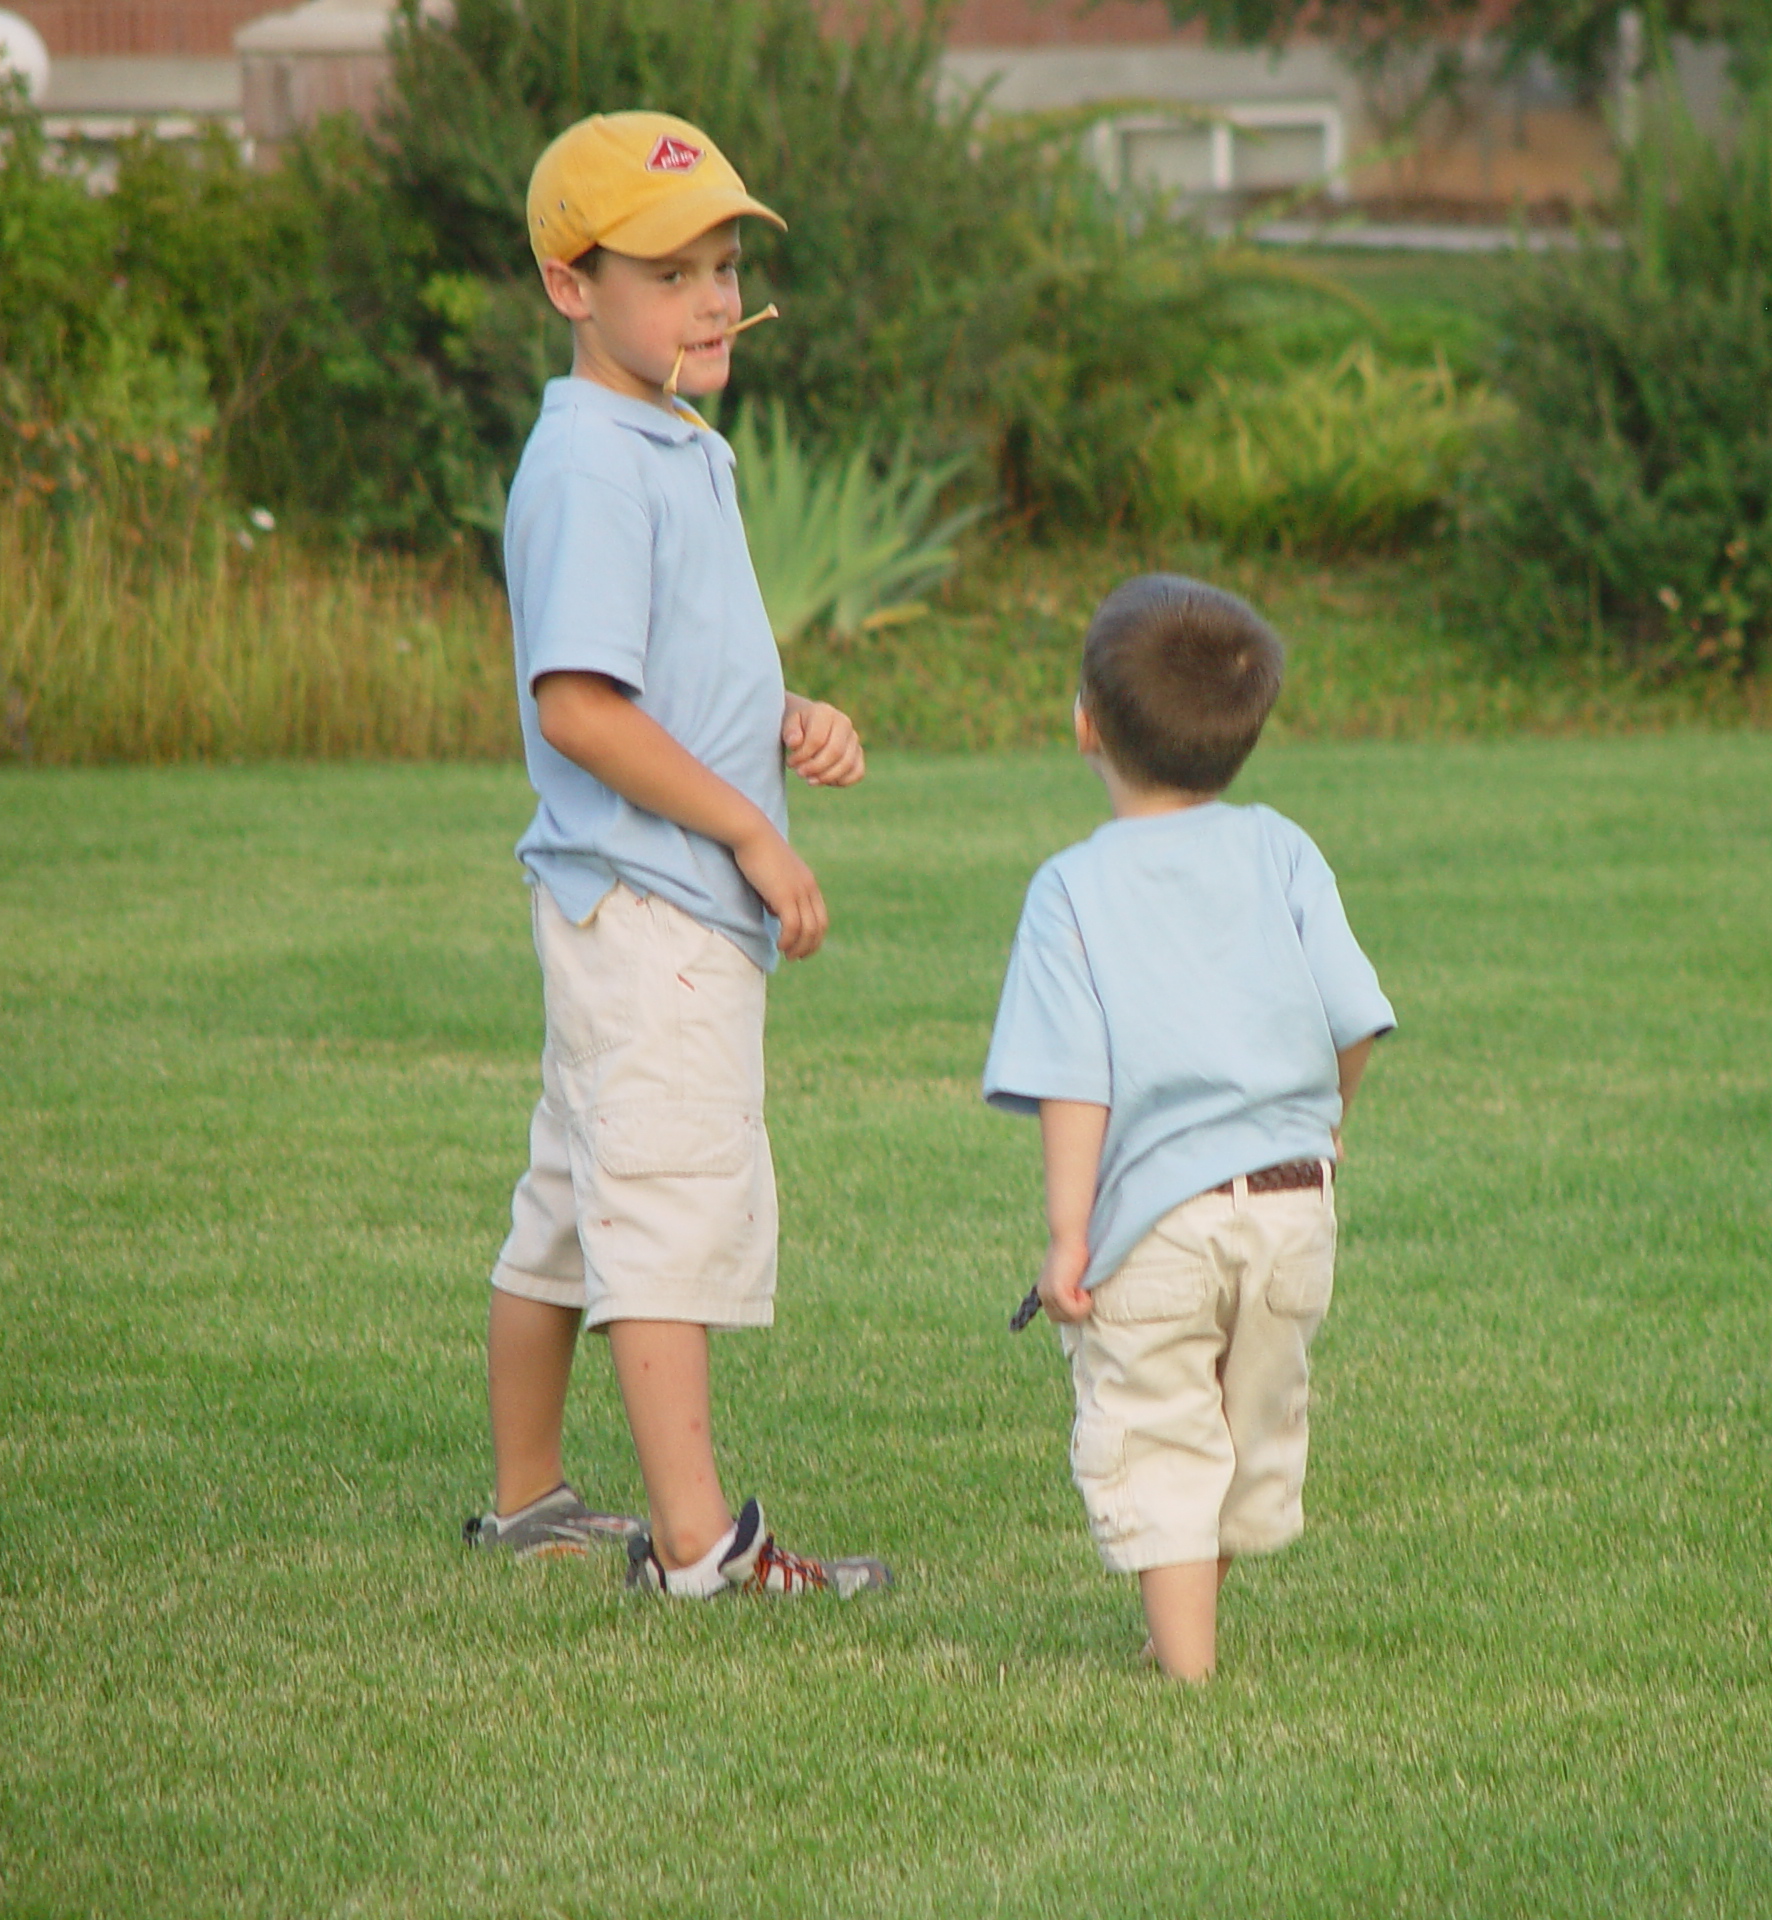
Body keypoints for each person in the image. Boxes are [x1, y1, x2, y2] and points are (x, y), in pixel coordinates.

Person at [462, 111, 888, 1599]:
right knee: (658, 1205)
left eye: (722, 264)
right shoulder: (590, 458)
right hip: (652, 907)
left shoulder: (670, 438)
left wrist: (788, 717)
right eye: (669, 270)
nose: (712, 297)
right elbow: (578, 702)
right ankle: (702, 1552)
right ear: (572, 285)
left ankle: (528, 1503)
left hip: (633, 898)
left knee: (574, 1202)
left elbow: (675, 668)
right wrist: (752, 829)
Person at [983, 575, 1394, 1679]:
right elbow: (1355, 1018)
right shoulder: (1283, 850)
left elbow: (1074, 1081)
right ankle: (1188, 1639)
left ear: (1086, 723)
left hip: (1160, 1222)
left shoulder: (1070, 889)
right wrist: (1327, 1124)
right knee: (1243, 1422)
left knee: (1162, 1431)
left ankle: (1189, 1675)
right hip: (1292, 1204)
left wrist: (1069, 1237)